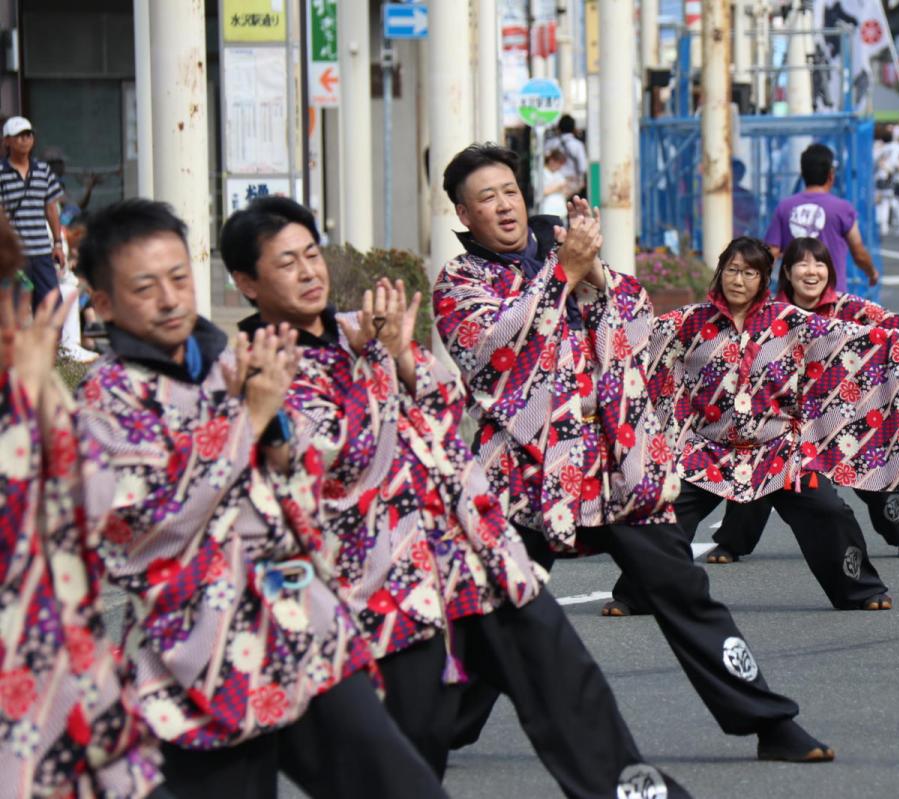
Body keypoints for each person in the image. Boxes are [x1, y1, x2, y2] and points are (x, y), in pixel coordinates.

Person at [220, 196, 690, 798]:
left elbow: (446, 406)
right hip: (386, 584)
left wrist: (400, 354)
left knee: (572, 691)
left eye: (311, 254)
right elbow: (324, 461)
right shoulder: (253, 369)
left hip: (475, 553)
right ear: (247, 282)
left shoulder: (360, 328)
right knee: (412, 743)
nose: (309, 272)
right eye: (287, 263)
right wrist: (359, 376)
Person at [434, 143, 836, 764]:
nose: (505, 205)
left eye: (510, 190)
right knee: (495, 607)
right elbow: (492, 352)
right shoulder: (460, 281)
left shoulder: (560, 250)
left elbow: (638, 323)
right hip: (524, 477)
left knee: (686, 594)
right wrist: (562, 276)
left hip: (617, 467)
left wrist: (592, 272)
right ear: (464, 215)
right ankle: (431, 733)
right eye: (487, 198)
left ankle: (769, 722)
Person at [73, 199, 448, 799]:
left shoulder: (228, 363)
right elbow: (143, 528)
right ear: (104, 302)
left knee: (398, 783)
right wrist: (249, 421)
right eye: (145, 287)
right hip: (196, 653)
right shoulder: (104, 400)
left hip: (297, 620)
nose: (170, 299)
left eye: (178, 278)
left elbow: (298, 487)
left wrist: (274, 435)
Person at [612, 235, 899, 610]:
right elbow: (635, 342)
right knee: (662, 512)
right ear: (719, 273)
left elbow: (855, 340)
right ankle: (636, 595)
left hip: (779, 453)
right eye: (732, 270)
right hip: (707, 451)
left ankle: (862, 590)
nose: (738, 280)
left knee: (829, 512)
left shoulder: (789, 322)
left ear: (763, 279)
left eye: (749, 273)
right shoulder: (689, 322)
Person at [0, 215, 167, 799]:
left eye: (11, 295)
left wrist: (39, 396)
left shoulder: (31, 395)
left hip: (71, 701)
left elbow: (96, 505)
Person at [707, 238, 899, 564]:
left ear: (830, 271)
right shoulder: (769, 312)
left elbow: (898, 328)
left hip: (846, 414)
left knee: (875, 476)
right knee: (756, 474)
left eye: (820, 264)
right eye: (802, 264)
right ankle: (730, 544)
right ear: (787, 272)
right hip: (785, 419)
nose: (812, 272)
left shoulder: (850, 308)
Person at [764, 143, 879, 291]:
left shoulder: (784, 207)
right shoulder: (842, 208)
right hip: (832, 293)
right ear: (831, 174)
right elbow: (858, 253)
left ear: (803, 173)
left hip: (794, 293)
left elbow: (771, 252)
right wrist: (871, 272)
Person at [0, 116, 65, 308]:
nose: (25, 140)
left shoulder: (43, 170)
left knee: (52, 307)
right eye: (19, 136)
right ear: (7, 141)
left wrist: (58, 244)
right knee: (12, 309)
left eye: (28, 135)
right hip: (14, 255)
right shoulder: (1, 172)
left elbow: (51, 209)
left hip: (42, 251)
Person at [546, 115, 588, 197]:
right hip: (572, 184)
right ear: (573, 128)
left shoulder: (551, 143)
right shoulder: (578, 145)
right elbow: (582, 168)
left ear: (559, 128)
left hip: (552, 182)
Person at [540, 148, 571, 217]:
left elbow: (565, 191)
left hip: (561, 212)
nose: (560, 167)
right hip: (547, 212)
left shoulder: (559, 174)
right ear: (552, 161)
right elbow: (543, 191)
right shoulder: (542, 173)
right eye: (559, 163)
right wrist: (558, 186)